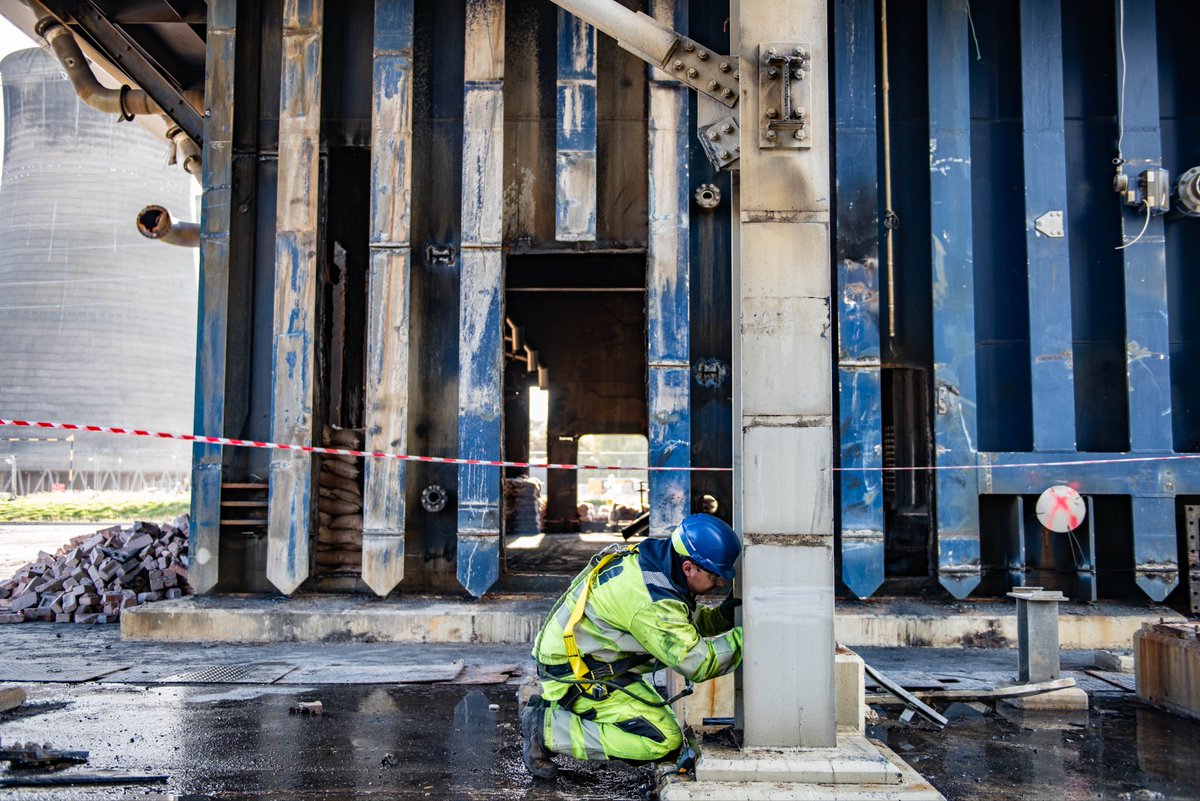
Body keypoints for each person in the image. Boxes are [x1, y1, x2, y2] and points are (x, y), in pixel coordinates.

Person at [521, 513, 742, 779]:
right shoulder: (649, 601)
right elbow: (698, 662)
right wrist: (753, 638)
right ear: (688, 568)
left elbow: (678, 623)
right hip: (577, 671)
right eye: (716, 577)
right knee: (661, 739)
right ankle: (548, 730)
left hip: (585, 657)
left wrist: (722, 617)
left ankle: (555, 711)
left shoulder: (655, 566)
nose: (720, 583)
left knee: (659, 724)